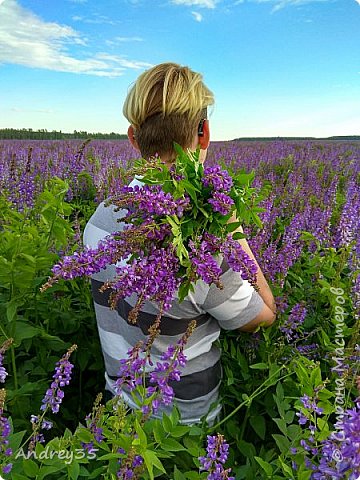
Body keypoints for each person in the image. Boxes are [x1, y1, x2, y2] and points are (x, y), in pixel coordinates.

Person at [83, 62, 276, 425]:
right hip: (185, 422)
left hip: (119, 403)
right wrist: (234, 230)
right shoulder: (205, 249)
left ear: (133, 138)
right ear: (204, 134)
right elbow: (264, 316)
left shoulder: (98, 221)